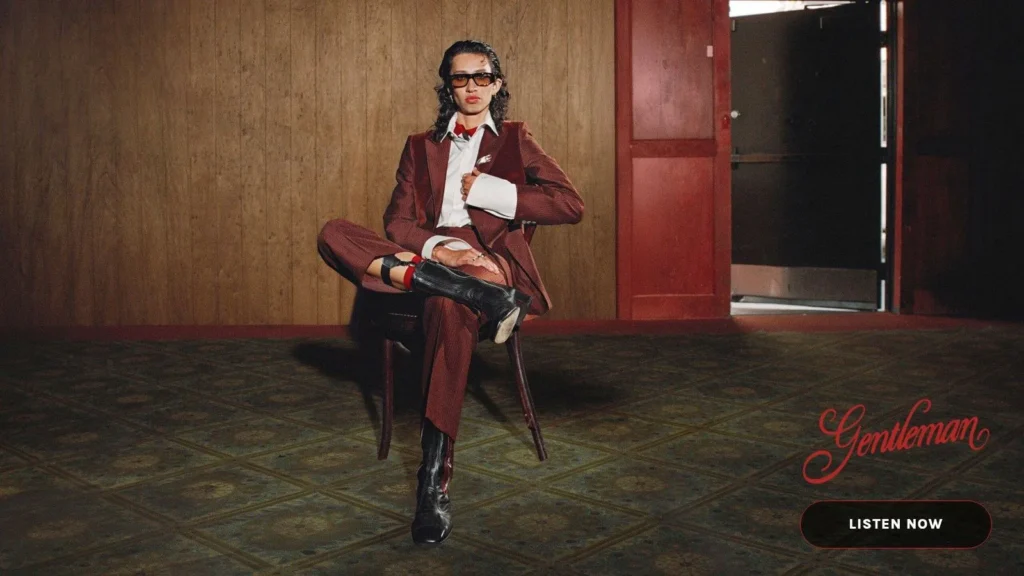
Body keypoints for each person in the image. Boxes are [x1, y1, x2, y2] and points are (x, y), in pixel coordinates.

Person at [317, 39, 583, 546]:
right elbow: (396, 222)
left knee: (446, 304)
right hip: (430, 259)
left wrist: (489, 192)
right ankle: (463, 292)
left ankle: (431, 484)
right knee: (334, 232)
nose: (472, 87)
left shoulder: (515, 139)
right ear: (448, 86)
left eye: (482, 76)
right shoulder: (420, 146)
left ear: (497, 84)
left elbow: (571, 204)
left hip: (489, 262)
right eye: (461, 78)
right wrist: (441, 251)